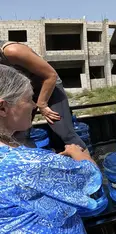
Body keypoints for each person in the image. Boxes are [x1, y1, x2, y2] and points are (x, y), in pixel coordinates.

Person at [0, 64, 101, 233]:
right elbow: (91, 179)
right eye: (28, 99)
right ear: (2, 108)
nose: (34, 106)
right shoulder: (28, 163)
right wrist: (78, 153)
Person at [0, 40, 87, 151]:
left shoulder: (12, 51)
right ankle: (31, 164)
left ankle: (88, 164)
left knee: (64, 132)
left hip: (47, 86)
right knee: (16, 134)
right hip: (22, 91)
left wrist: (42, 104)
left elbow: (51, 75)